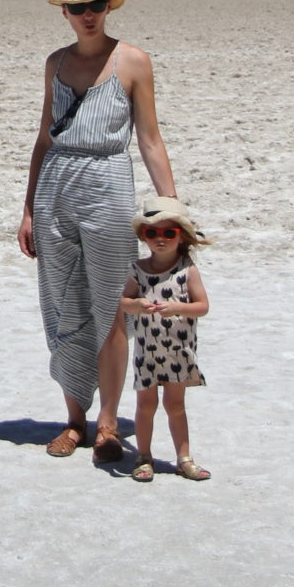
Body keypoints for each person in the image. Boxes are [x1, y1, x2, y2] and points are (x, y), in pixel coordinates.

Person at [18, 0, 177, 462]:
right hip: (55, 191)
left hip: (108, 184)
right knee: (62, 305)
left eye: (97, 6)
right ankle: (74, 420)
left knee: (111, 307)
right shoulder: (55, 63)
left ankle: (109, 422)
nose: (88, 16)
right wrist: (27, 209)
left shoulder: (134, 62)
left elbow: (149, 139)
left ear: (109, 7)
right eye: (78, 8)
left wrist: (170, 207)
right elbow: (44, 138)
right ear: (64, 12)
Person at [122, 195, 211, 482]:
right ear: (144, 237)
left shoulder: (187, 270)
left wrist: (177, 308)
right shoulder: (138, 269)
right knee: (145, 406)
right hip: (147, 350)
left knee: (175, 405)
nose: (160, 239)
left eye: (168, 233)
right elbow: (124, 301)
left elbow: (202, 307)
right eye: (152, 233)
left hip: (178, 350)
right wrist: (136, 305)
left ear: (181, 237)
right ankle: (143, 456)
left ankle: (184, 458)